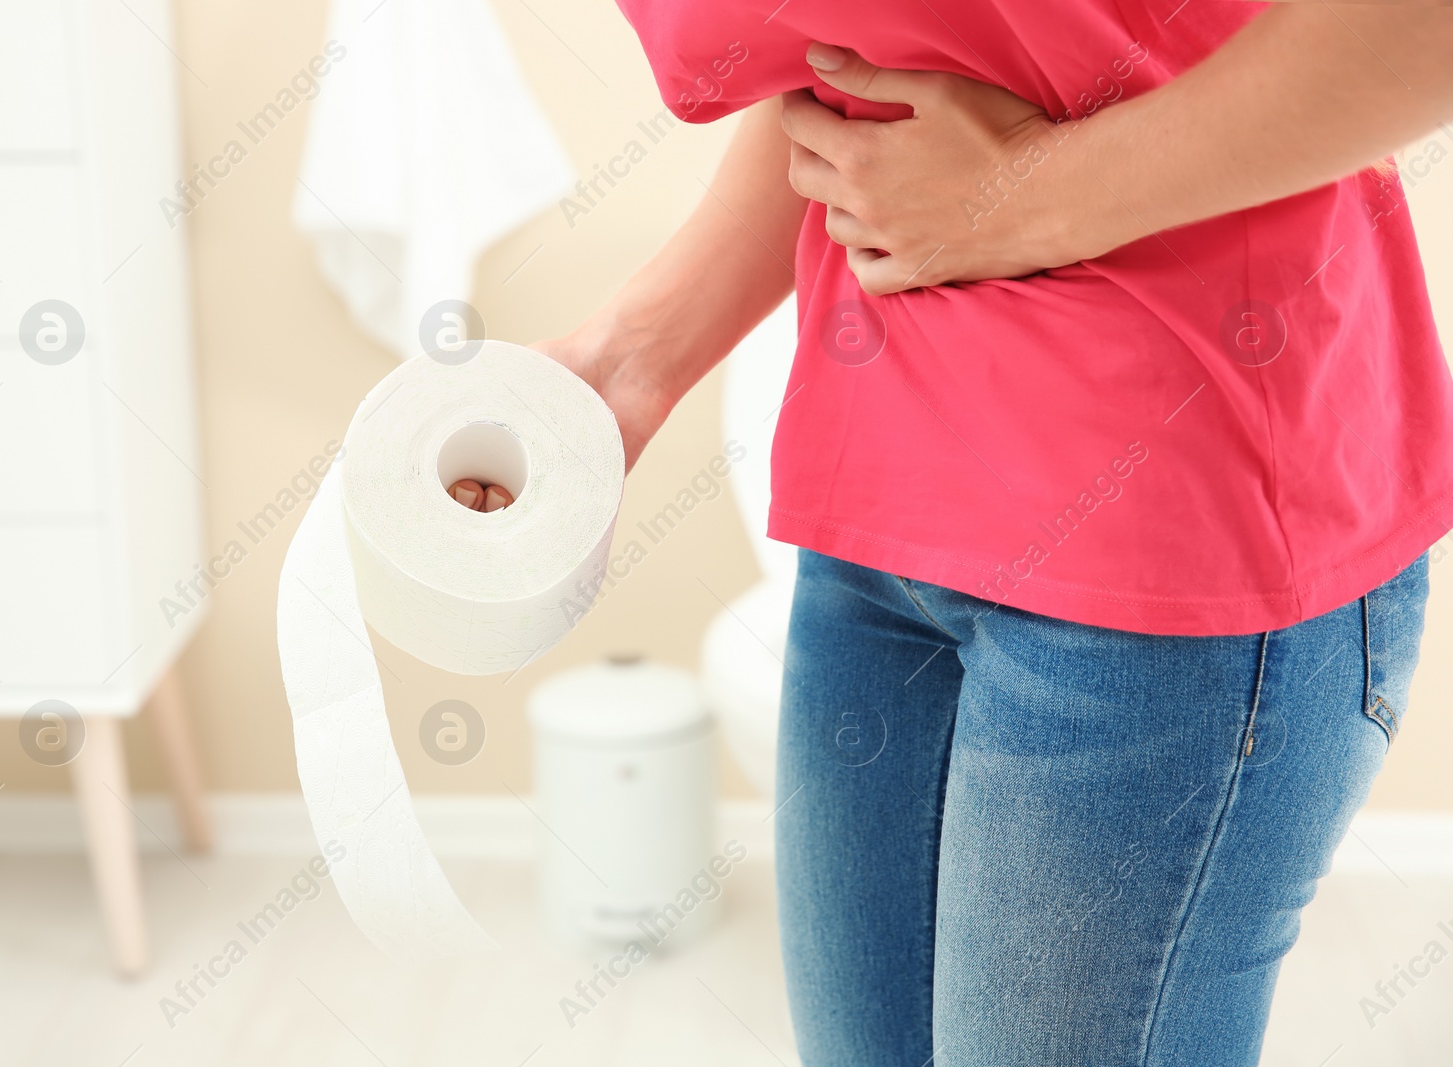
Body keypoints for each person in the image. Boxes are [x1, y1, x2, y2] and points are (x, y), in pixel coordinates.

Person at [530, 4, 1453, 1064]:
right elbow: (885, 39)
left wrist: (1021, 200)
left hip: (1155, 544)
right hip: (875, 520)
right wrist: (630, 362)